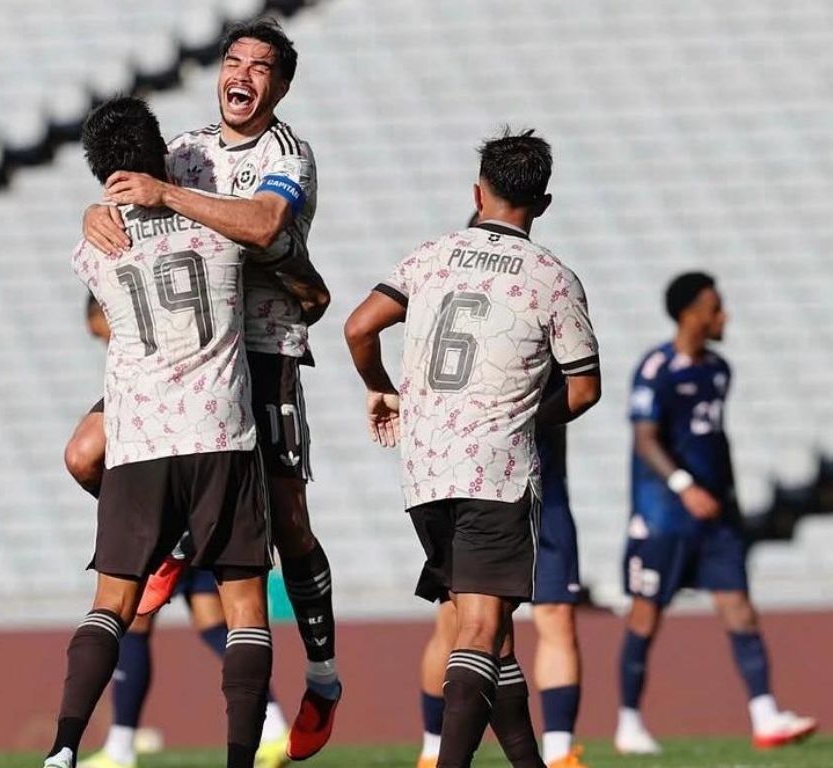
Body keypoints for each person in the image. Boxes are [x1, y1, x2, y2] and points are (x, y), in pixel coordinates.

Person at [75, 19, 342, 758]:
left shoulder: (287, 154)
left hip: (262, 347)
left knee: (289, 520)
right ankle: (176, 537)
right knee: (83, 454)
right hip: (184, 357)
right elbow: (129, 205)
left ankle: (322, 676)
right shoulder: (186, 150)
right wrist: (99, 211)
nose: (244, 74)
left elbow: (262, 225)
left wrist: (170, 195)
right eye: (234, 61)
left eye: (261, 67)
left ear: (280, 86)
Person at [344, 129, 602, 768]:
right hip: (496, 471)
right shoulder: (553, 277)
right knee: (480, 632)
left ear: (477, 192)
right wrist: (524, 418)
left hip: (424, 469)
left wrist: (382, 387)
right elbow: (585, 389)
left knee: (493, 637)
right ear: (542, 204)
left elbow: (357, 326)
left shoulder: (431, 256)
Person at [73, 295, 291, 768]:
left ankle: (121, 747)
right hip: (201, 480)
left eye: (102, 331)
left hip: (169, 487)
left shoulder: (147, 357)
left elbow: (86, 456)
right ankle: (273, 728)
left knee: (135, 617)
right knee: (216, 621)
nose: (104, 343)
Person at [614, 272, 817, 754]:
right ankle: (628, 723)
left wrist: (726, 496)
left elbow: (715, 441)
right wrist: (684, 487)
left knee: (740, 610)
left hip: (716, 516)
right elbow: (646, 440)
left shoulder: (718, 370)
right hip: (663, 516)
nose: (724, 316)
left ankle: (766, 716)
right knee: (646, 617)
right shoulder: (656, 369)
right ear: (690, 314)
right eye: (715, 308)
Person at [416, 366, 590, 768]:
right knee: (464, 626)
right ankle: (433, 747)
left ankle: (561, 751)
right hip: (481, 489)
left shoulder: (537, 318)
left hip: (544, 492)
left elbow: (582, 389)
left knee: (556, 617)